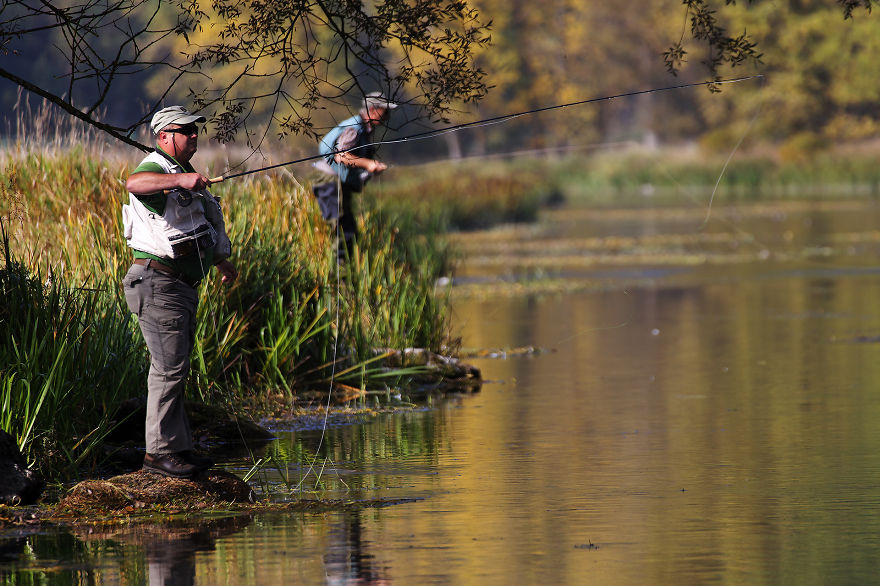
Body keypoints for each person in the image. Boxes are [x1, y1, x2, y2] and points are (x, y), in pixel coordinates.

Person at [121, 105, 238, 478]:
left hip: (179, 286)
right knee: (168, 371)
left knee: (176, 368)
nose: (193, 136)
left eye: (194, 131)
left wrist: (220, 261)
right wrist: (178, 182)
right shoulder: (155, 168)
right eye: (185, 130)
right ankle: (158, 456)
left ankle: (179, 449)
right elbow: (132, 185)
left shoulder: (184, 172)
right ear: (163, 136)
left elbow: (195, 225)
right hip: (158, 283)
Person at [315, 91, 397, 261]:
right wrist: (368, 164)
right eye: (385, 111)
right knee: (342, 231)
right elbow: (341, 156)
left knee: (347, 231)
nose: (388, 115)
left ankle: (343, 277)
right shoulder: (354, 128)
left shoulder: (363, 129)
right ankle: (338, 280)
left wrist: (369, 167)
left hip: (336, 183)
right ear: (373, 110)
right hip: (329, 183)